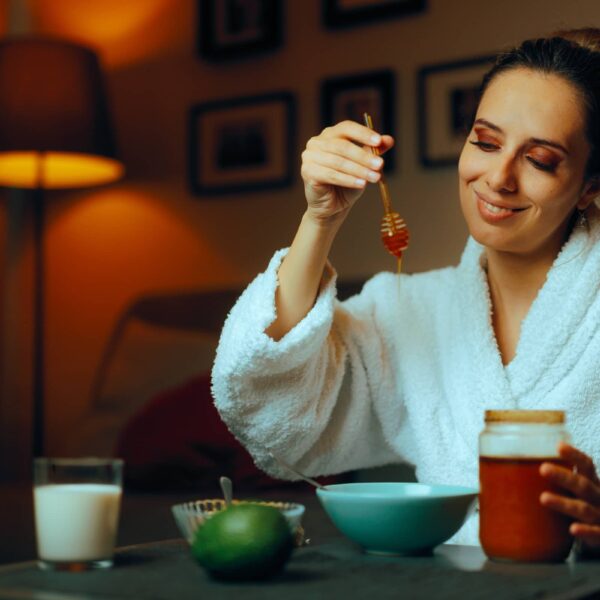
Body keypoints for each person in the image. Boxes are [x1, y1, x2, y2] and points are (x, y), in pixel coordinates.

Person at [211, 28, 600, 550]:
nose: (499, 177)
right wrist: (320, 220)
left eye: (540, 160)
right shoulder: (413, 309)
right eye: (485, 142)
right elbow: (272, 403)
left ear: (590, 187)